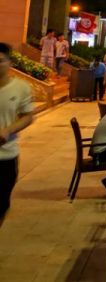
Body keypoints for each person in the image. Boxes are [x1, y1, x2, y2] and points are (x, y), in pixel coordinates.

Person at [0, 42, 35, 226]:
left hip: (6, 155)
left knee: (1, 205)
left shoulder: (21, 88)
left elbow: (28, 116)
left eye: (0, 61)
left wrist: (8, 130)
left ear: (9, 63)